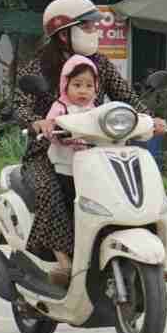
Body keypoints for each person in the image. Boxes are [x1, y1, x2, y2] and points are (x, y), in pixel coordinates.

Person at [14, 0, 167, 286]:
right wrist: (36, 121)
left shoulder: (99, 63)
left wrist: (150, 118)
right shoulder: (40, 65)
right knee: (50, 190)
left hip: (97, 149)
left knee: (132, 188)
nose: (94, 32)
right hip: (49, 151)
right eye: (87, 27)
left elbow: (127, 97)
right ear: (63, 33)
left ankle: (148, 256)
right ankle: (62, 261)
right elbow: (20, 104)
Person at [43, 55, 100, 282]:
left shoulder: (97, 110)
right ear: (65, 85)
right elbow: (50, 127)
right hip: (64, 169)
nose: (83, 91)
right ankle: (64, 264)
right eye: (77, 85)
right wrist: (51, 127)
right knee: (60, 212)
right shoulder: (60, 107)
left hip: (92, 171)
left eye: (89, 85)